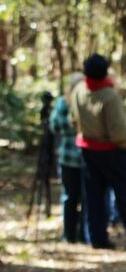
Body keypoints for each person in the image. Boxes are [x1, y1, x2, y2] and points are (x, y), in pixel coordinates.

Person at [69, 53, 126, 251]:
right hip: (112, 151)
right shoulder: (110, 96)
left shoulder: (79, 91)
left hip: (88, 150)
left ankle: (97, 238)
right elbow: (117, 129)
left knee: (94, 196)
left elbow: (74, 118)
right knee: (125, 194)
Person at [49, 74, 84, 243]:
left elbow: (55, 125)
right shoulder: (65, 103)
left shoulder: (79, 100)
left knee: (78, 197)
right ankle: (73, 234)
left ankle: (78, 234)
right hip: (74, 157)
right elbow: (55, 125)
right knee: (74, 197)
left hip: (79, 158)